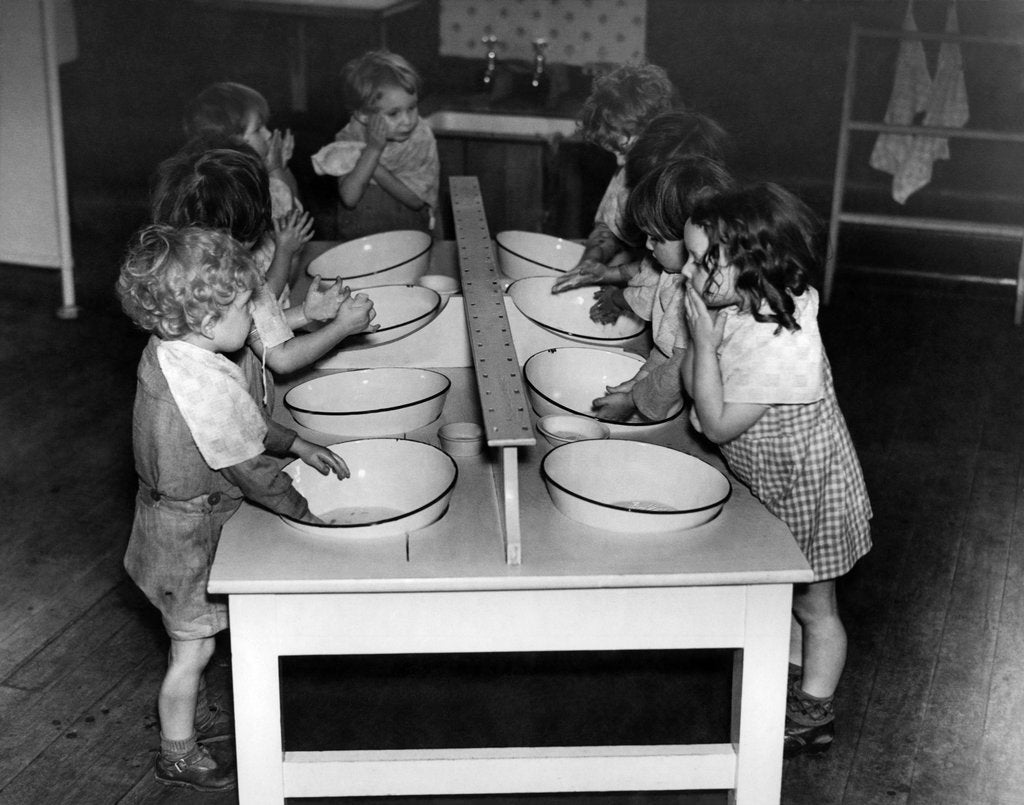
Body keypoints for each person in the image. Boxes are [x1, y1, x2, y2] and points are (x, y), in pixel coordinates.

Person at [115, 225, 349, 791]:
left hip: (184, 516)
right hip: (184, 530)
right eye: (247, 306)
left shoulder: (177, 354)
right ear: (203, 320)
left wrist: (296, 442)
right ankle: (176, 754)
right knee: (192, 650)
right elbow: (252, 470)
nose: (256, 317)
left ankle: (190, 734)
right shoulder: (201, 382)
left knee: (198, 641)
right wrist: (309, 515)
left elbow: (242, 418)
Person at [679, 183, 873, 757]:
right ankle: (788, 678)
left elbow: (712, 423)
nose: (688, 271)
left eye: (700, 260)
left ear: (749, 264)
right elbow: (697, 386)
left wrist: (702, 342)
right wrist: (704, 342)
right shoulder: (741, 305)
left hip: (810, 490)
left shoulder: (783, 340)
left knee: (817, 610)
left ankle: (815, 712)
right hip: (773, 483)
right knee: (783, 595)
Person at [151, 146, 377, 391]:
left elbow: (254, 327)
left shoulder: (177, 269)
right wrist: (341, 327)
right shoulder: (237, 276)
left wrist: (305, 313)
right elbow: (283, 358)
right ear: (254, 218)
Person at [590, 155, 733, 424]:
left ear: (692, 237)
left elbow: (677, 366)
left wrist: (634, 398)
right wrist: (636, 383)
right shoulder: (675, 271)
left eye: (656, 238)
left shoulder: (709, 299)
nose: (646, 245)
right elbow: (665, 350)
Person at [584, 110, 733, 326]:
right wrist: (607, 274)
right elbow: (648, 268)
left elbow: (650, 291)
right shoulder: (673, 240)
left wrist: (616, 298)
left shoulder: (699, 272)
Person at [550, 61, 676, 295]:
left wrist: (610, 276)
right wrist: (590, 261)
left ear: (654, 130)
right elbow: (608, 229)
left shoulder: (673, 181)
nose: (619, 162)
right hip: (634, 277)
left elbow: (668, 265)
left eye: (624, 148)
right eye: (614, 152)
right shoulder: (628, 167)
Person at [311, 50, 439, 240]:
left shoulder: (420, 138)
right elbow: (349, 197)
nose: (407, 121)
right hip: (359, 237)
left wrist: (373, 165)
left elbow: (416, 200)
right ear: (363, 115)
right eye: (394, 113)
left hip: (407, 235)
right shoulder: (350, 136)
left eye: (411, 108)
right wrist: (373, 150)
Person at [183, 81, 302, 218]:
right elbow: (290, 221)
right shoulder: (234, 188)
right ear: (232, 141)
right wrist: (276, 169)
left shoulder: (255, 173)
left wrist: (283, 167)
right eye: (258, 129)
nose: (268, 134)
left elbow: (296, 210)